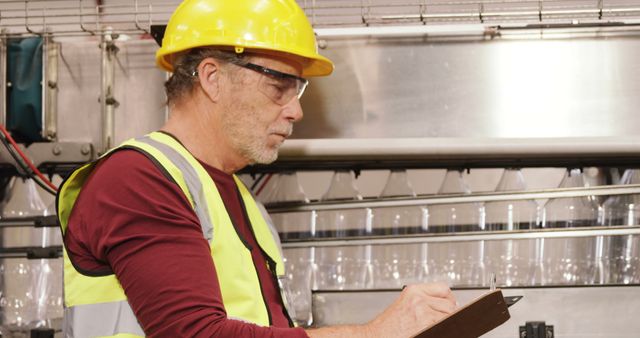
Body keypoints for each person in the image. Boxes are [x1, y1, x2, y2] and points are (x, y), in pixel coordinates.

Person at [56, 0, 457, 337]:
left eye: (298, 89)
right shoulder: (137, 180)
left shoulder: (238, 199)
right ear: (212, 78)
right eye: (278, 85)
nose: (296, 110)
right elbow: (195, 334)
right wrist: (374, 333)